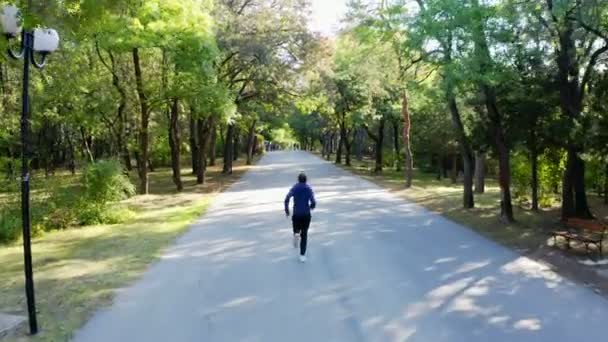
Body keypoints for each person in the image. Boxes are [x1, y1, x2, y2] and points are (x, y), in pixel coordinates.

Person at [284, 172, 316, 262]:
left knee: (296, 229)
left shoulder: (295, 188)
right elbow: (313, 202)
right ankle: (302, 255)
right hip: (306, 214)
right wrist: (311, 207)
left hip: (296, 214)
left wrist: (287, 210)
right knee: (304, 234)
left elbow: (287, 198)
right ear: (306, 180)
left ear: (298, 180)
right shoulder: (308, 189)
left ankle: (296, 233)